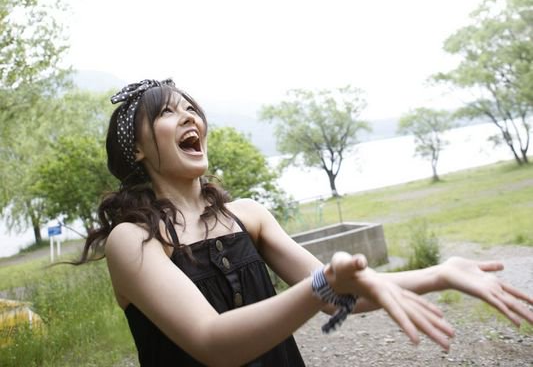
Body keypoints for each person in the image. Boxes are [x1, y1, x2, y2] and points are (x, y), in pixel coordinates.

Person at [80, 79, 533, 367]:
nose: (188, 116)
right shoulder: (133, 240)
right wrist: (320, 286)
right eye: (166, 112)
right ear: (136, 149)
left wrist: (441, 273)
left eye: (191, 108)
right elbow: (212, 341)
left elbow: (343, 296)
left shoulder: (249, 215)